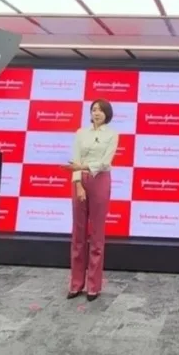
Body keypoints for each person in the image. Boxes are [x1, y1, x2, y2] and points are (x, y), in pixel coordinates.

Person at [62, 98, 118, 301]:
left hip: (100, 180)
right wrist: (78, 183)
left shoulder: (112, 135)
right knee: (78, 233)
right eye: (94, 109)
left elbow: (105, 162)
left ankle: (94, 285)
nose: (96, 113)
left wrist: (82, 167)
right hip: (80, 181)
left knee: (97, 234)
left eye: (101, 110)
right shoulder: (81, 133)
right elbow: (75, 159)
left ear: (107, 114)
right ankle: (76, 284)